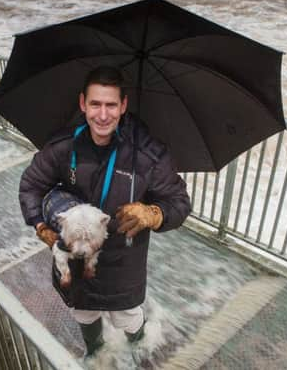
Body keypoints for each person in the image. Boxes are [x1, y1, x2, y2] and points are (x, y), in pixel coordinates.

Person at [18, 66, 190, 355]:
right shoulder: (64, 146)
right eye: (95, 104)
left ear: (123, 106)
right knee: (83, 313)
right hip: (75, 258)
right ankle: (95, 351)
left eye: (111, 105)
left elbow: (179, 202)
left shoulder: (148, 154)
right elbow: (31, 185)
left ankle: (141, 348)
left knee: (128, 317)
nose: (102, 114)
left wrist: (154, 213)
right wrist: (40, 226)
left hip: (124, 265)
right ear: (83, 103)